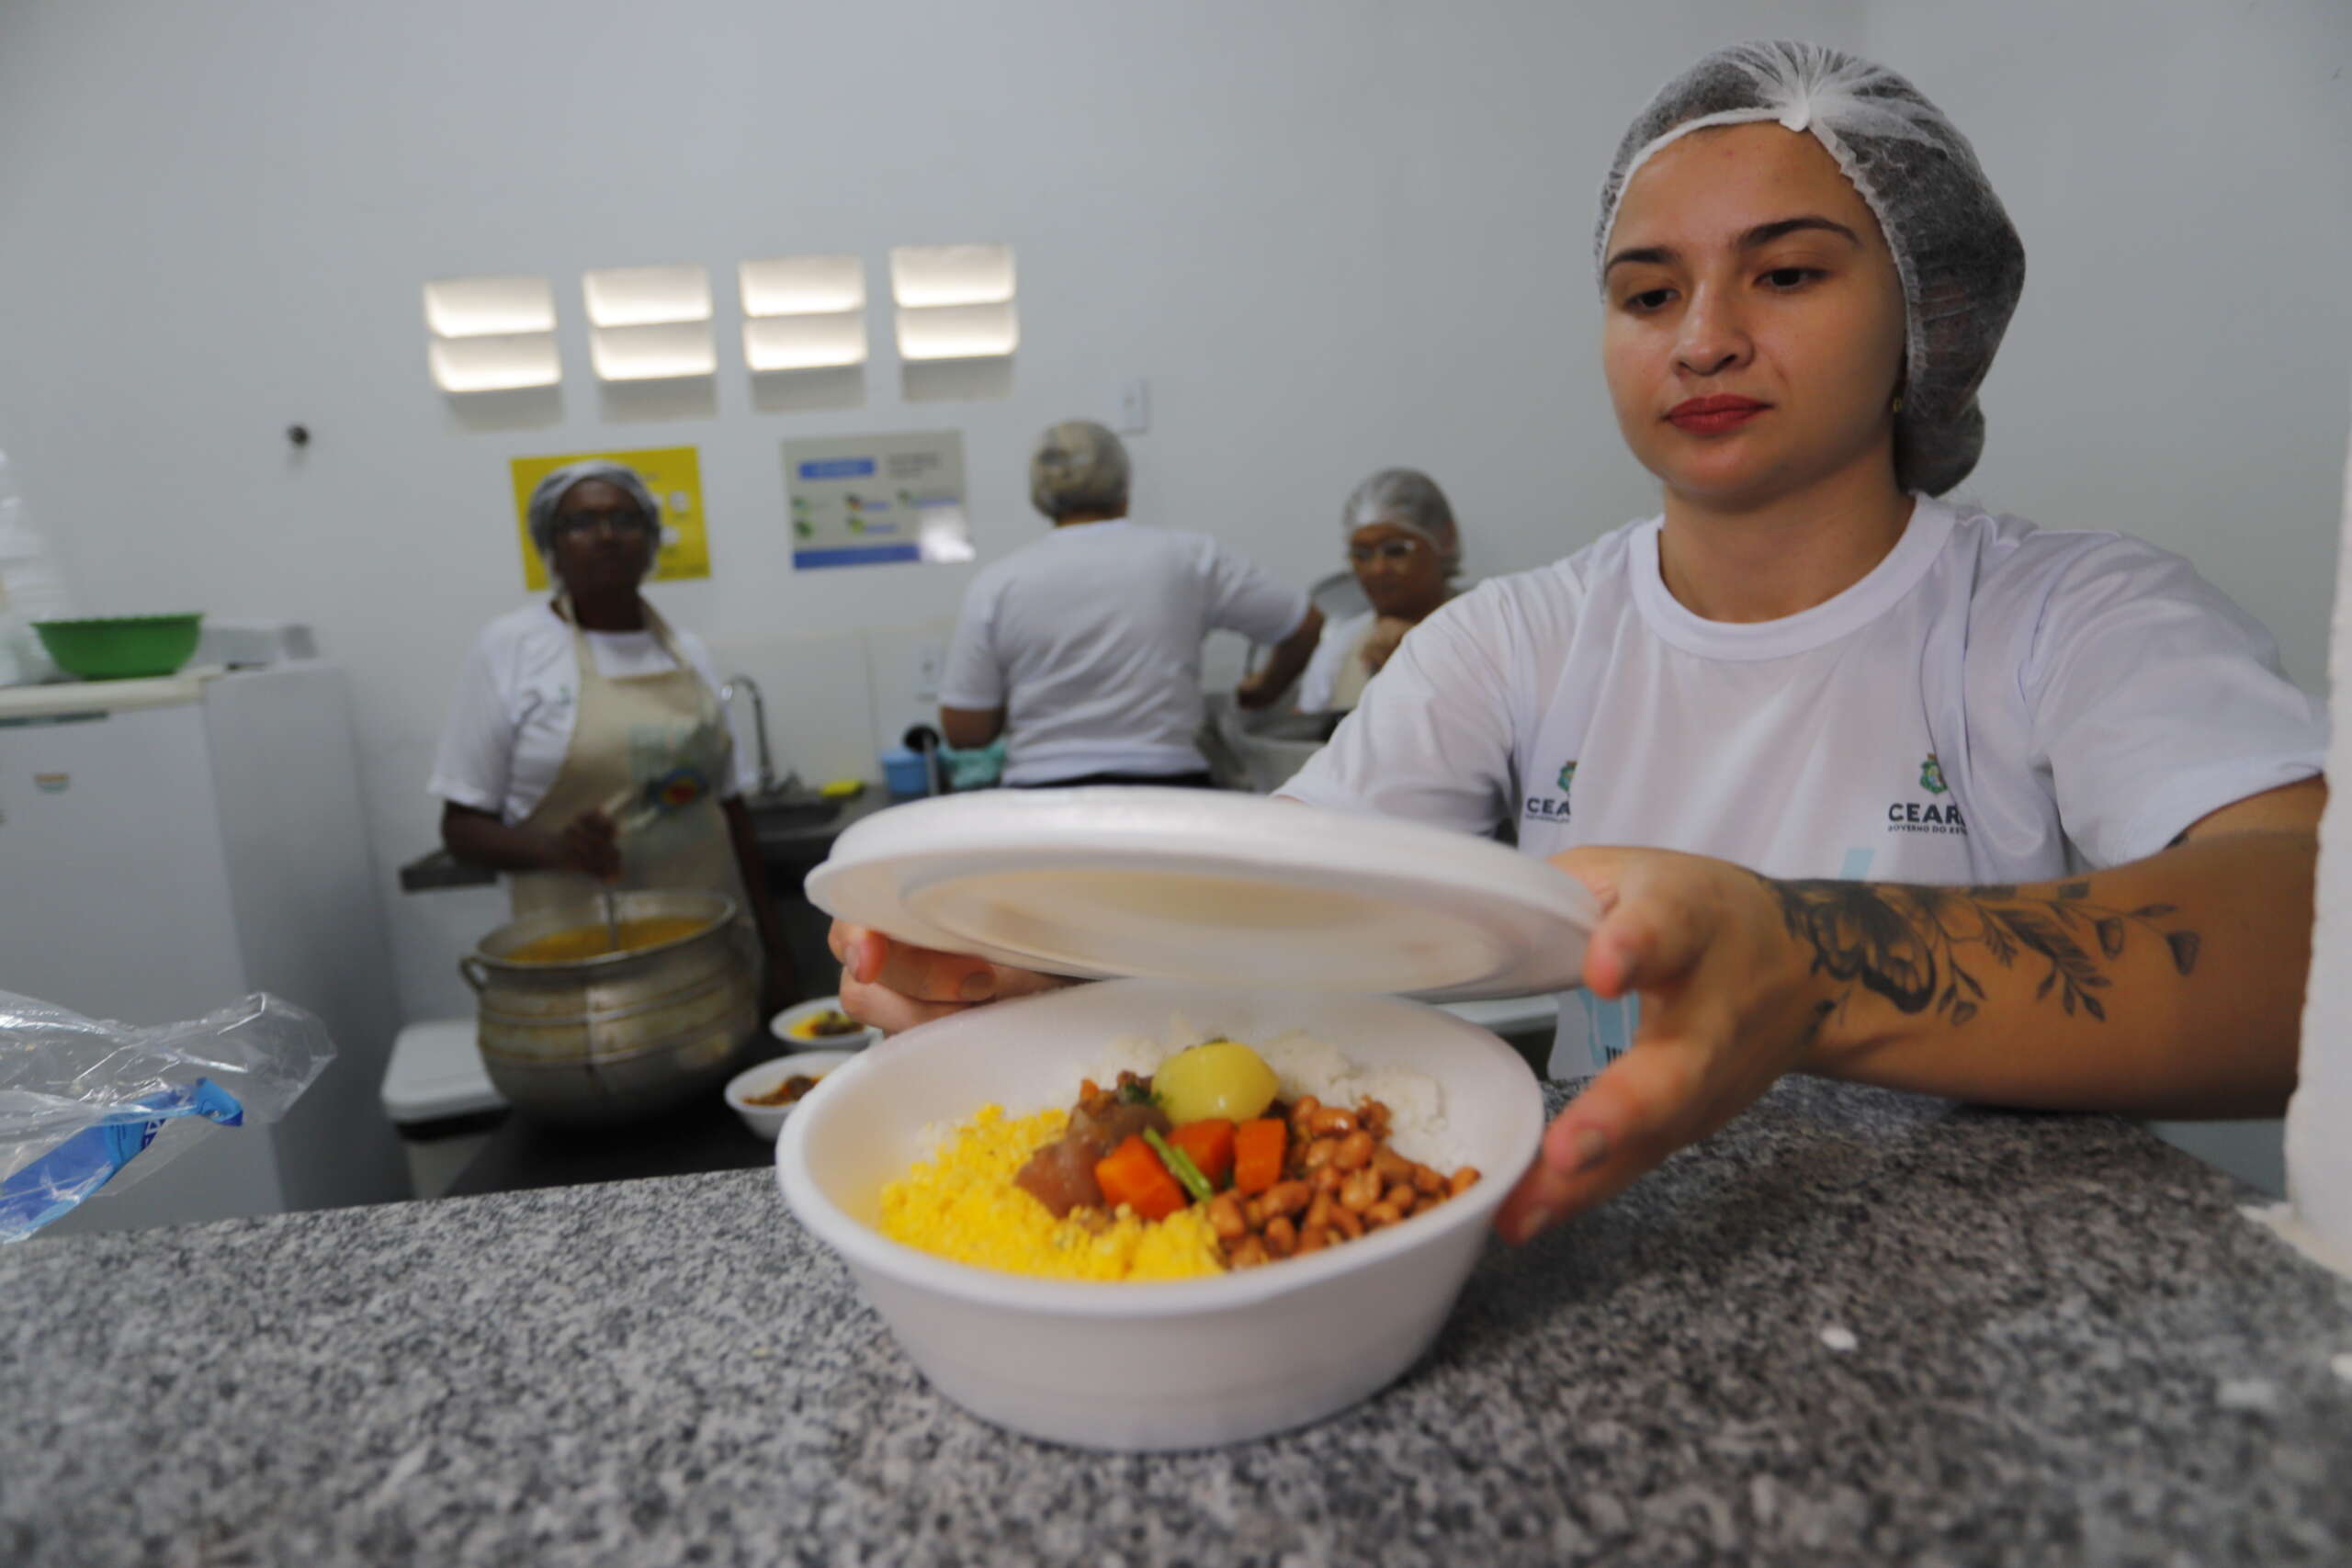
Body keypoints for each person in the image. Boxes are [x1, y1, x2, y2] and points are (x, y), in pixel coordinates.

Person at [831, 42, 2326, 1248]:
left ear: (1925, 320)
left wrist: (1803, 957)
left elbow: (2309, 936)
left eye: (1788, 273)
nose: (1704, 337)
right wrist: (1062, 968)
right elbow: (1275, 904)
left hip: (2015, 1296)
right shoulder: (1520, 641)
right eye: (1648, 292)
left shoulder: (2070, 617)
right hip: (1608, 1255)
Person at [432, 459, 795, 1011]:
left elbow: (731, 811)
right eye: (580, 523)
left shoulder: (686, 651)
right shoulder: (512, 648)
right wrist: (557, 849)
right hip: (586, 971)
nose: (605, 535)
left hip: (711, 954)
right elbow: (461, 828)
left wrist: (775, 947)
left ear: (651, 542)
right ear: (549, 546)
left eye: (625, 519)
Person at [937, 420, 1325, 786]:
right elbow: (1304, 625)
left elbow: (964, 730)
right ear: (1124, 487)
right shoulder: (1189, 558)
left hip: (1042, 805)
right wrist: (1265, 690)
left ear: (1041, 498)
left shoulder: (998, 584)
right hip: (1167, 792)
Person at [1295, 468, 1463, 715]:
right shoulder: (1341, 647)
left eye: (1395, 550)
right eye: (1362, 555)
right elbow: (1304, 733)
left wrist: (1422, 649)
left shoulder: (1485, 628)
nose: (1378, 569)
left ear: (1444, 539)